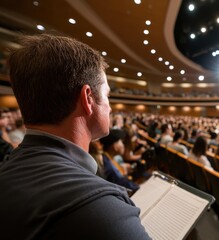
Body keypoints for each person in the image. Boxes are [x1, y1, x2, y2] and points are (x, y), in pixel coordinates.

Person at [0, 34, 150, 239]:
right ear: (88, 98)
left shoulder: (6, 171)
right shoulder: (103, 210)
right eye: (107, 95)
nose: (110, 107)